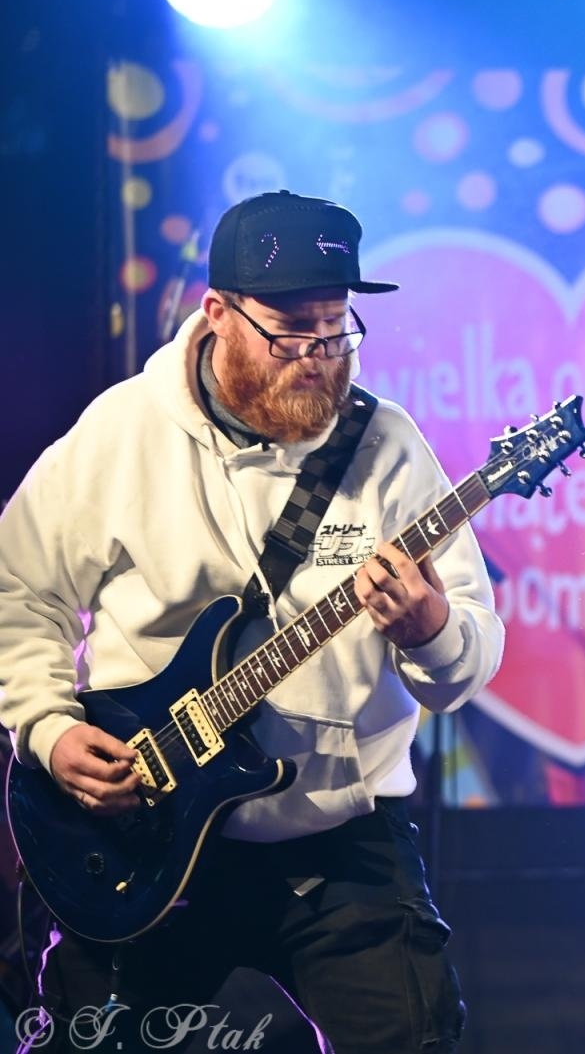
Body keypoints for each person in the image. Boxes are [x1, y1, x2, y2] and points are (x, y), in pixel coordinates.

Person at [0, 191, 505, 1053]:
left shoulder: (387, 445)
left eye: (336, 329)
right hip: (139, 835)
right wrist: (47, 727)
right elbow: (19, 589)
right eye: (291, 332)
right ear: (218, 314)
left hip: (336, 841)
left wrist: (430, 629)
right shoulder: (122, 431)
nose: (317, 357)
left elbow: (469, 655)